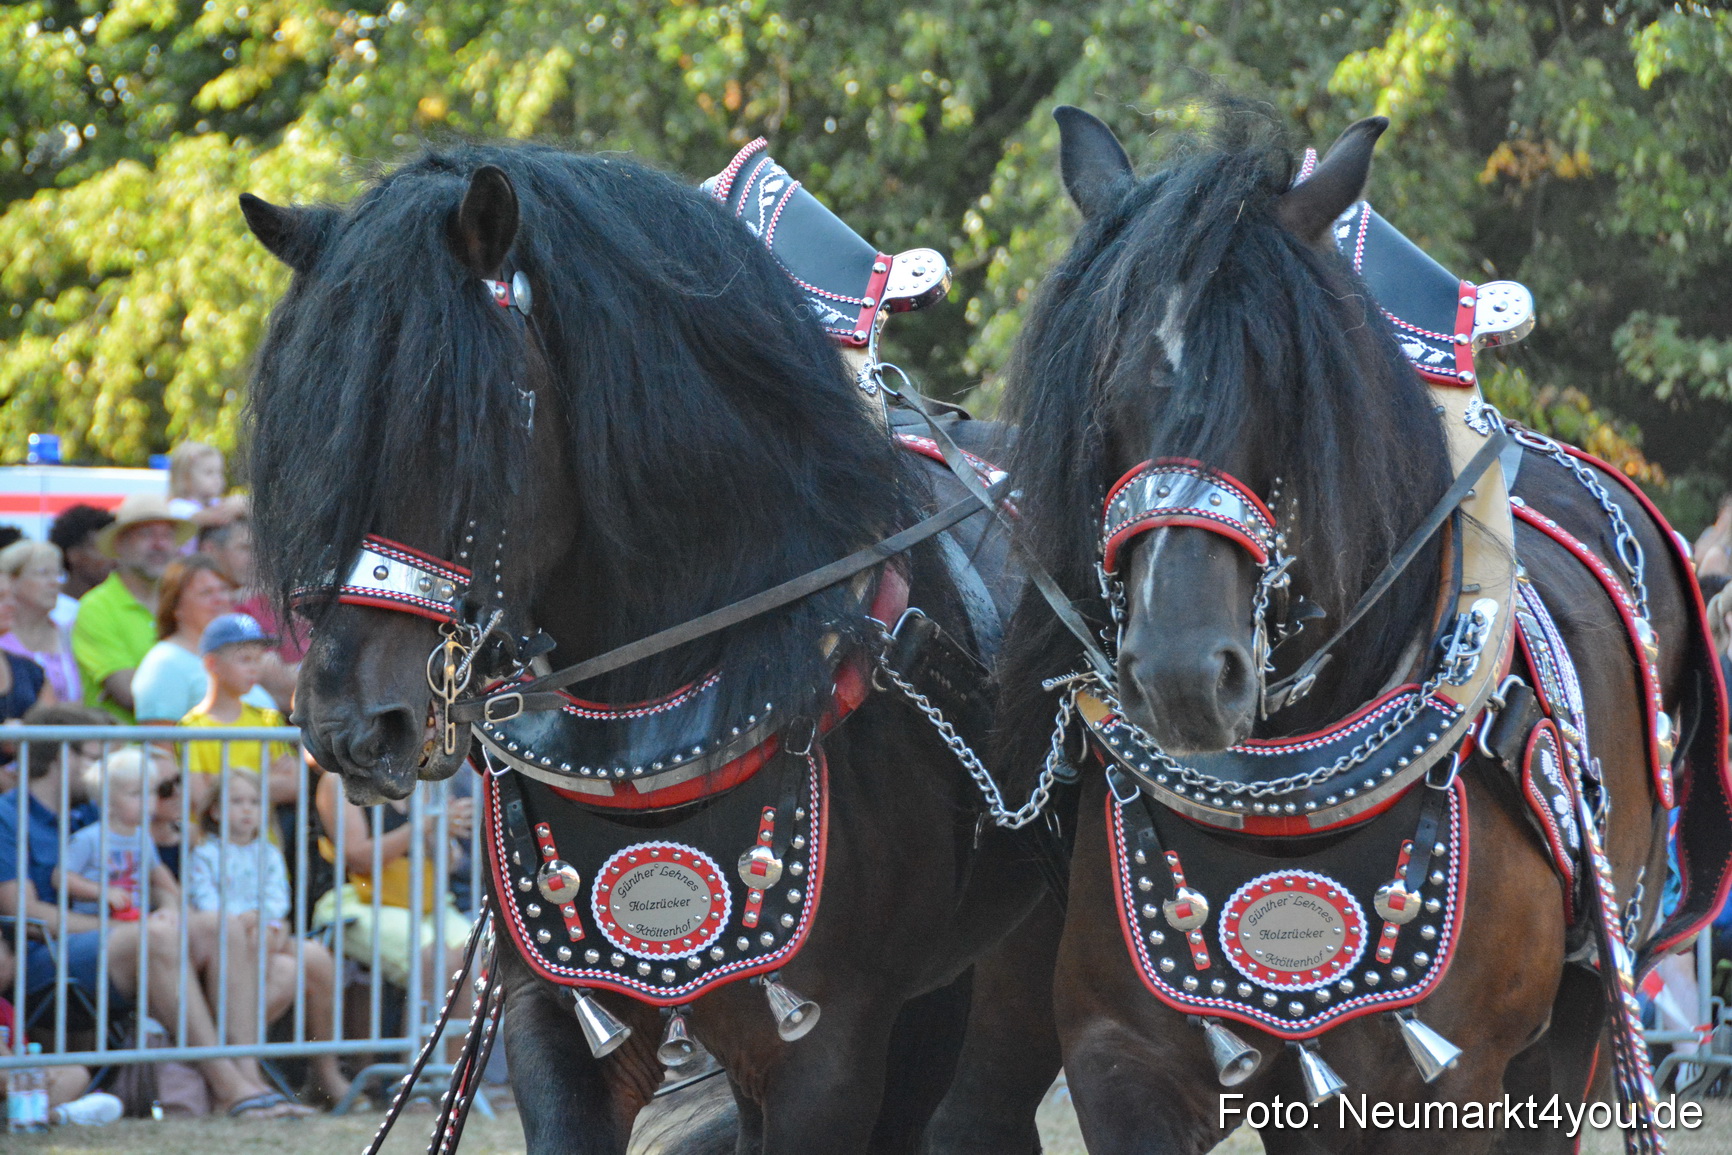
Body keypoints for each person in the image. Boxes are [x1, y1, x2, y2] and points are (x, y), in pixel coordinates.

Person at [0, 705, 309, 1118]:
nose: (104, 768)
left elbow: (161, 884)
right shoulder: (8, 815)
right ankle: (232, 1089)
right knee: (159, 935)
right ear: (60, 755)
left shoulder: (97, 808)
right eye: (94, 757)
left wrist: (169, 909)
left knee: (219, 926)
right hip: (49, 959)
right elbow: (23, 911)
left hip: (124, 941)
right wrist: (126, 924)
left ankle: (249, 1079)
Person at [185, 770, 350, 1104]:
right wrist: (241, 922)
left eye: (255, 802)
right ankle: (234, 1063)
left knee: (316, 956)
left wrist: (267, 921)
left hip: (268, 928)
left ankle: (325, 1071)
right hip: (228, 936)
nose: (247, 810)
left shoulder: (269, 853)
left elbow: (278, 898)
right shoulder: (204, 853)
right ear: (215, 811)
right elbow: (205, 900)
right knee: (272, 959)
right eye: (236, 802)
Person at [71, 495, 192, 722]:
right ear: (119, 544)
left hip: (189, 752)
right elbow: (131, 694)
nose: (159, 544)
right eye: (146, 534)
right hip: (126, 753)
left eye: (167, 535)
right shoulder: (96, 607)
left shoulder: (185, 601)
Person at [178, 614, 300, 817]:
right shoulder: (192, 727)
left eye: (258, 659)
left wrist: (221, 786)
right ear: (211, 664)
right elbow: (200, 796)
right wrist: (267, 779)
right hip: (214, 843)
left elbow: (293, 785)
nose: (254, 668)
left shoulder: (268, 720)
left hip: (263, 843)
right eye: (245, 659)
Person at [132, 557, 272, 725]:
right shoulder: (165, 662)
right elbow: (160, 746)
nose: (220, 599)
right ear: (175, 607)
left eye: (223, 590)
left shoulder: (234, 656)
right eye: (206, 592)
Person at [0, 946, 124, 1126]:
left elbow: (22, 1058)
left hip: (12, 1089)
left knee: (75, 1073)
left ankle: (34, 1115)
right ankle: (60, 1115)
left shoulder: (6, 1009)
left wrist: (38, 1074)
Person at [54, 747, 180, 918]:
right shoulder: (89, 838)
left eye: (151, 791)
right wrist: (102, 892)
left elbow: (158, 873)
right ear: (107, 802)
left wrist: (175, 906)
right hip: (94, 923)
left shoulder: (142, 837)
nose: (148, 800)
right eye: (136, 793)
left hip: (135, 917)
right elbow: (61, 877)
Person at [201, 520, 298, 713]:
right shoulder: (222, 607)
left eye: (261, 550)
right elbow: (281, 679)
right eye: (244, 548)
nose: (256, 558)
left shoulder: (279, 601)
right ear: (212, 550)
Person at [0, 540, 81, 703]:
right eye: (43, 573)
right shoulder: (2, 635)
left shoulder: (73, 632)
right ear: (12, 579)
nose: (55, 582)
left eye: (58, 574)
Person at [48, 505, 116, 632]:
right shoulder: (51, 614)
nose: (113, 560)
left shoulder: (115, 609)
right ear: (73, 555)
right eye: (101, 549)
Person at [0, 569, 55, 723]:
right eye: (0, 597)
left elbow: (50, 726)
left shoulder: (32, 671)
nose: (11, 605)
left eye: (12, 596)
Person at [166, 442, 248, 532]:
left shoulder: (214, 503)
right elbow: (209, 517)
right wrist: (237, 506)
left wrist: (241, 504)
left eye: (220, 472)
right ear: (186, 478)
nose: (217, 479)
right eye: (209, 472)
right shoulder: (177, 506)